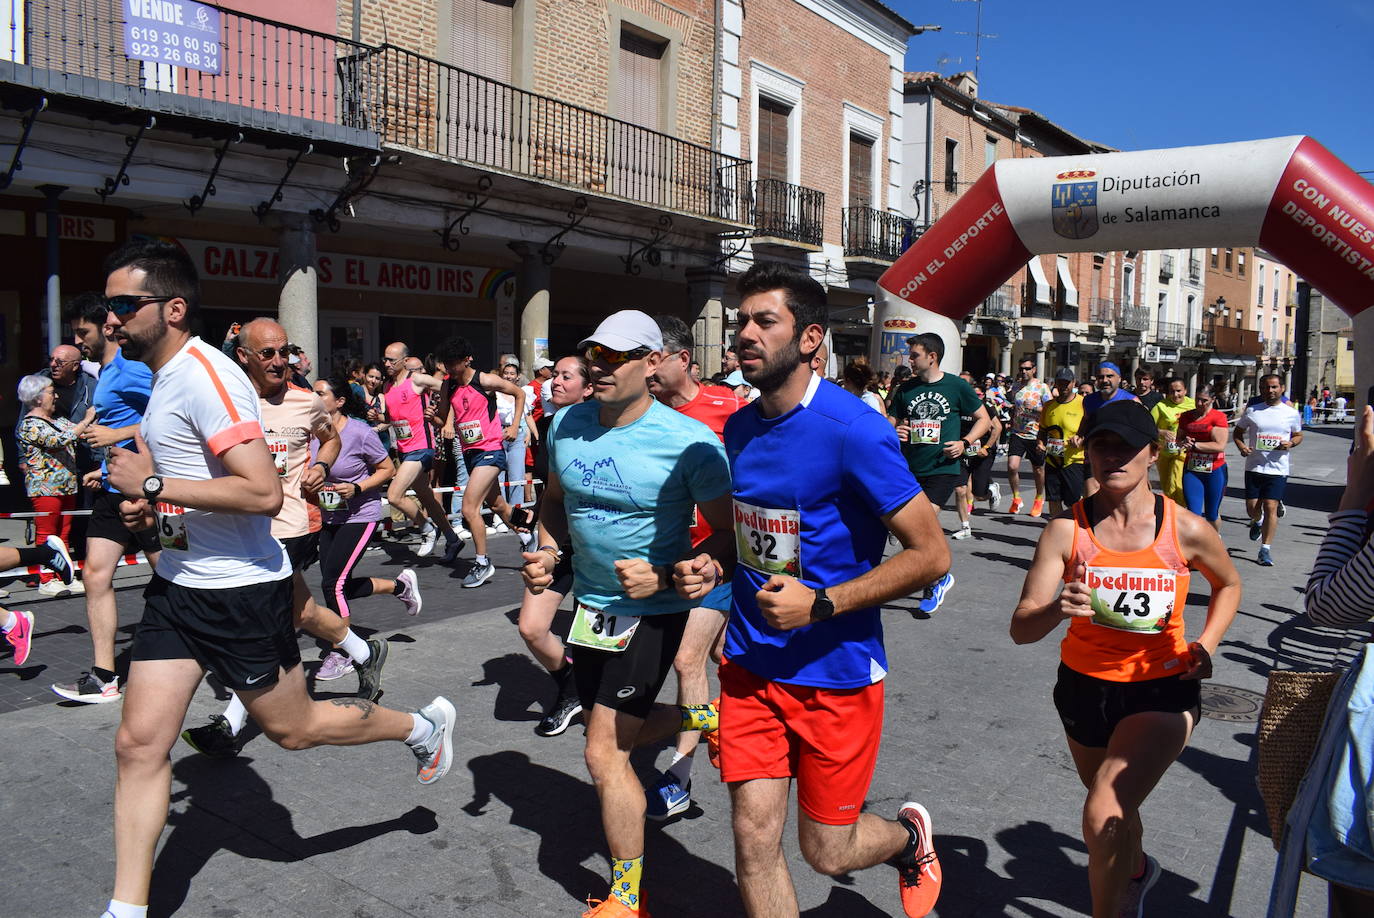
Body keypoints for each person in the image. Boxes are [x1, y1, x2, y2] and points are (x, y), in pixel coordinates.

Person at [95, 239, 455, 918]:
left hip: (241, 592)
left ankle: (419, 726)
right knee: (138, 745)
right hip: (180, 589)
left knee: (294, 730)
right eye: (106, 306)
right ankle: (127, 909)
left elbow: (260, 493)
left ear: (172, 309)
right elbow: (188, 490)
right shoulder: (163, 377)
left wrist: (149, 480)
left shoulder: (206, 377)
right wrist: (154, 517)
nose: (110, 319)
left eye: (122, 306)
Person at [674, 261, 949, 918]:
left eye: (764, 321)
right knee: (752, 838)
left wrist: (823, 603)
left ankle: (909, 839)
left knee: (828, 849)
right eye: (741, 320)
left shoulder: (854, 430)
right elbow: (745, 535)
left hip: (836, 676)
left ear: (809, 338)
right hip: (748, 666)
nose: (744, 333)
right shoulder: (738, 428)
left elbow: (932, 554)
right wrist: (712, 561)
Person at [519, 309, 733, 918]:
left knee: (603, 752)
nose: (598, 366)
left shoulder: (691, 441)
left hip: (653, 609)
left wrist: (670, 574)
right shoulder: (565, 423)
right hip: (590, 606)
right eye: (594, 353)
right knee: (612, 731)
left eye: (616, 356)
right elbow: (555, 504)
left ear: (653, 363)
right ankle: (707, 715)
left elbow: (728, 537)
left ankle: (626, 896)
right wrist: (549, 551)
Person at [1010, 398, 1240, 918]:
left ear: (1153, 453)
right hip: (1084, 690)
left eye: (1126, 446)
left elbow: (1228, 584)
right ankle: (1135, 870)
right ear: (1086, 452)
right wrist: (1054, 609)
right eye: (1100, 444)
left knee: (1102, 811)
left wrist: (1206, 645)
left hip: (1162, 688)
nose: (1112, 456)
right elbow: (1021, 630)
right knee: (1113, 803)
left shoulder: (1186, 529)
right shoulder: (1066, 531)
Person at [178, 319, 392, 756]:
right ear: (244, 358)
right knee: (303, 611)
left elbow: (329, 439)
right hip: (238, 526)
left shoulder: (306, 402)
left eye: (285, 353)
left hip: (288, 527)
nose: (280, 362)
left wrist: (322, 466)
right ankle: (364, 651)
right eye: (268, 354)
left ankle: (230, 724)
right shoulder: (229, 401)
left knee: (264, 620)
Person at [644, 314, 741, 819]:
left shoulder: (730, 407)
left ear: (684, 360)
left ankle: (679, 777)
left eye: (655, 360)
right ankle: (733, 720)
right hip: (666, 562)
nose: (648, 370)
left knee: (687, 661)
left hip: (717, 556)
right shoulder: (646, 414)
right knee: (726, 655)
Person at [49, 293, 163, 703]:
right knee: (95, 575)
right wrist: (104, 466)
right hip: (114, 489)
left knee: (175, 576)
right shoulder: (108, 371)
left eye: (83, 332)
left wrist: (117, 436)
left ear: (107, 328)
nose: (79, 341)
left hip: (146, 492)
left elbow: (168, 412)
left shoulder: (132, 367)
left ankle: (222, 647)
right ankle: (104, 677)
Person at [310, 374, 421, 682]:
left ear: (339, 401)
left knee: (332, 584)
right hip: (329, 515)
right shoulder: (311, 432)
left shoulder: (358, 432)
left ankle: (343, 651)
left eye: (320, 393)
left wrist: (357, 487)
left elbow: (387, 469)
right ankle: (400, 587)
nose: (314, 397)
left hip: (361, 515)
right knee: (336, 583)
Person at [517, 355, 593, 737]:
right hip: (558, 541)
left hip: (597, 546)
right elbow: (553, 488)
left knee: (587, 637)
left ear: (589, 386)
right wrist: (536, 522)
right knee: (531, 627)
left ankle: (591, 701)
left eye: (566, 376)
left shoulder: (609, 427)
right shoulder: (554, 423)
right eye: (555, 375)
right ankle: (570, 684)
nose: (555, 382)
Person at [888, 332, 989, 612]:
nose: (909, 359)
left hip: (943, 468)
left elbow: (985, 420)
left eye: (914, 355)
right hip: (910, 469)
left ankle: (934, 581)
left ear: (932, 357)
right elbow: (888, 421)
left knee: (920, 525)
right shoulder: (906, 389)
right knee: (919, 532)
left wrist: (965, 442)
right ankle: (939, 575)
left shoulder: (956, 386)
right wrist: (895, 430)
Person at [429, 336, 531, 588]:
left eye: (454, 364)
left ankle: (483, 562)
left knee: (469, 508)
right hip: (469, 452)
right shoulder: (448, 386)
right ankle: (529, 533)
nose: (450, 369)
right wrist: (434, 419)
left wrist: (516, 425)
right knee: (498, 506)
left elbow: (519, 394)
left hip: (491, 450)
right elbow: (443, 421)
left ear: (467, 360)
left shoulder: (484, 380)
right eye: (447, 364)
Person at [382, 342, 463, 560]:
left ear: (405, 361)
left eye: (392, 360)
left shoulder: (416, 380)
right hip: (404, 449)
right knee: (426, 497)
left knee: (394, 495)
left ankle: (427, 529)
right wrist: (377, 422)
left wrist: (444, 418)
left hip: (422, 448)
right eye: (385, 360)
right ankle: (453, 539)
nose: (387, 364)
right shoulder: (387, 387)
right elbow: (392, 419)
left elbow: (450, 388)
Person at [16, 374, 94, 595]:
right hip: (45, 488)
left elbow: (77, 432)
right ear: (38, 397)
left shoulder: (57, 420)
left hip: (67, 485)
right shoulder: (30, 424)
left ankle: (64, 576)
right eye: (51, 392)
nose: (56, 396)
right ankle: (46, 578)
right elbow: (60, 439)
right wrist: (86, 420)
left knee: (64, 533)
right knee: (47, 534)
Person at [1234, 374, 1303, 566]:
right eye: (1265, 387)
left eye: (1274, 387)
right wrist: (1241, 447)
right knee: (1252, 509)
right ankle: (1256, 521)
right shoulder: (1253, 410)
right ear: (1261, 389)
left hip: (1278, 468)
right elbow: (1238, 432)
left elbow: (1298, 435)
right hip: (1254, 466)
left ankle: (1265, 550)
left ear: (1282, 388)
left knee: (1270, 506)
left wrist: (1290, 443)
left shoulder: (1290, 413)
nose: (1270, 391)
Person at [1006, 356, 1054, 516]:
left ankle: (1039, 498)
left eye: (1027, 369)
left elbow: (1051, 410)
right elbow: (1015, 406)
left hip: (1036, 434)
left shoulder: (1042, 387)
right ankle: (1016, 498)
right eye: (1021, 369)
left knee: (1038, 469)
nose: (1024, 371)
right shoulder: (1015, 387)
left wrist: (1035, 409)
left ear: (1034, 370)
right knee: (1012, 466)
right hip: (1017, 432)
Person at [1177, 385, 1229, 530]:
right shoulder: (1186, 416)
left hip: (1215, 470)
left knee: (1211, 514)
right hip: (1192, 470)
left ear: (1212, 400)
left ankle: (1214, 540)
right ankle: (1197, 545)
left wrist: (1195, 445)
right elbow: (1179, 439)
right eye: (1197, 399)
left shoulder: (1218, 417)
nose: (1200, 403)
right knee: (1193, 513)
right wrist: (1183, 442)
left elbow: (1219, 445)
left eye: (1204, 400)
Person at [1039, 367, 1087, 516]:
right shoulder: (1049, 406)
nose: (1063, 386)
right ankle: (1057, 529)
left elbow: (1092, 428)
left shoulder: (1083, 403)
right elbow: (1042, 430)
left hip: (1074, 460)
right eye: (1060, 382)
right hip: (1053, 459)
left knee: (1073, 501)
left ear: (1073, 383)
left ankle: (1076, 529)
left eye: (1067, 383)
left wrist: (1081, 438)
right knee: (1054, 499)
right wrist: (1040, 444)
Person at [961, 381, 1004, 522]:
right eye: (973, 394)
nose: (975, 397)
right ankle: (969, 506)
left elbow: (997, 428)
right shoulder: (963, 407)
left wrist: (986, 447)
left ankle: (991, 491)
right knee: (965, 480)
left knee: (979, 493)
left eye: (978, 394)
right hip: (967, 449)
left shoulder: (987, 408)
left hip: (984, 451)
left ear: (983, 395)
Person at [497, 360, 538, 507]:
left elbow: (527, 416)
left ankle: (517, 510)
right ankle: (500, 514)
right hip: (499, 434)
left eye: (512, 373)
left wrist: (532, 433)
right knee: (498, 475)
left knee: (517, 475)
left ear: (517, 376)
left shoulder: (523, 393)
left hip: (518, 435)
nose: (508, 376)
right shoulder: (495, 394)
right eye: (506, 373)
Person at [1150, 378, 1195, 506]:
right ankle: (1172, 511)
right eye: (1171, 391)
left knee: (1175, 483)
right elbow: (1149, 426)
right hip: (1165, 452)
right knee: (1166, 486)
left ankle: (1179, 512)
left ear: (1185, 390)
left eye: (1179, 391)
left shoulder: (1193, 405)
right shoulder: (1161, 406)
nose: (1175, 395)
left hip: (1183, 452)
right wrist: (1162, 432)